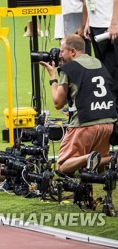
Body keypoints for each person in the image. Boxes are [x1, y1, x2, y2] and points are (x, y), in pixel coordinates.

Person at [39, 34, 116, 174]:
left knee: (62, 167)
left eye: (62, 51)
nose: (59, 55)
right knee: (99, 170)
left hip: (85, 123)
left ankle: (97, 158)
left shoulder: (69, 69)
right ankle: (107, 159)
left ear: (72, 51)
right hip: (108, 122)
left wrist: (52, 77)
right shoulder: (99, 63)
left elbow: (58, 103)